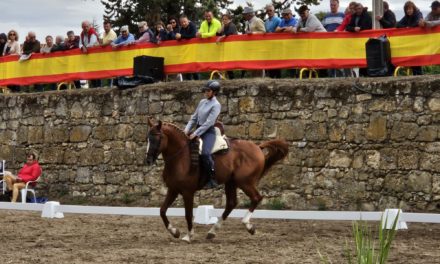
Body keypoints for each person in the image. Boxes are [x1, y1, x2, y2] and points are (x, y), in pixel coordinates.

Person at [184, 81, 222, 189]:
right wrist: (186, 130)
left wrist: (196, 133)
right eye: (205, 90)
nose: (206, 92)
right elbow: (194, 118)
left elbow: (209, 123)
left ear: (214, 92)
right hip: (198, 129)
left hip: (208, 132)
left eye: (208, 90)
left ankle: (212, 178)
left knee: (205, 153)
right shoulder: (202, 102)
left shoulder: (216, 105)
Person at [397, 1, 423, 75]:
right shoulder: (406, 17)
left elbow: (418, 23)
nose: (408, 11)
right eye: (407, 9)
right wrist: (406, 27)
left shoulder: (418, 14)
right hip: (411, 43)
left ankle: (419, 77)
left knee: (417, 62)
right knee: (412, 62)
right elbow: (398, 24)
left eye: (410, 9)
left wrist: (410, 28)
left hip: (418, 41)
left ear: (413, 8)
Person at [217, 13, 238, 79]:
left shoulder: (232, 25)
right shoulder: (224, 26)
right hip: (226, 48)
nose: (224, 21)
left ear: (230, 20)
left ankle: (232, 79)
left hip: (233, 47)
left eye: (226, 19)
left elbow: (229, 33)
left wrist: (221, 37)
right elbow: (217, 34)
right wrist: (221, 29)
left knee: (230, 66)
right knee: (226, 65)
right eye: (223, 19)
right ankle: (226, 78)